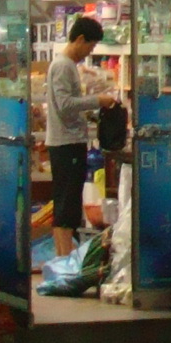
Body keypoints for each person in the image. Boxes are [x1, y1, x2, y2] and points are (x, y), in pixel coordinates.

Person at [43, 18, 115, 257]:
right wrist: (98, 100)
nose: (90, 52)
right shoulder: (63, 66)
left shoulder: (66, 65)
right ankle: (64, 258)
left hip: (68, 141)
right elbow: (65, 105)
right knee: (67, 205)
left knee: (67, 203)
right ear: (81, 39)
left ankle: (62, 256)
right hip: (66, 143)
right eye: (91, 46)